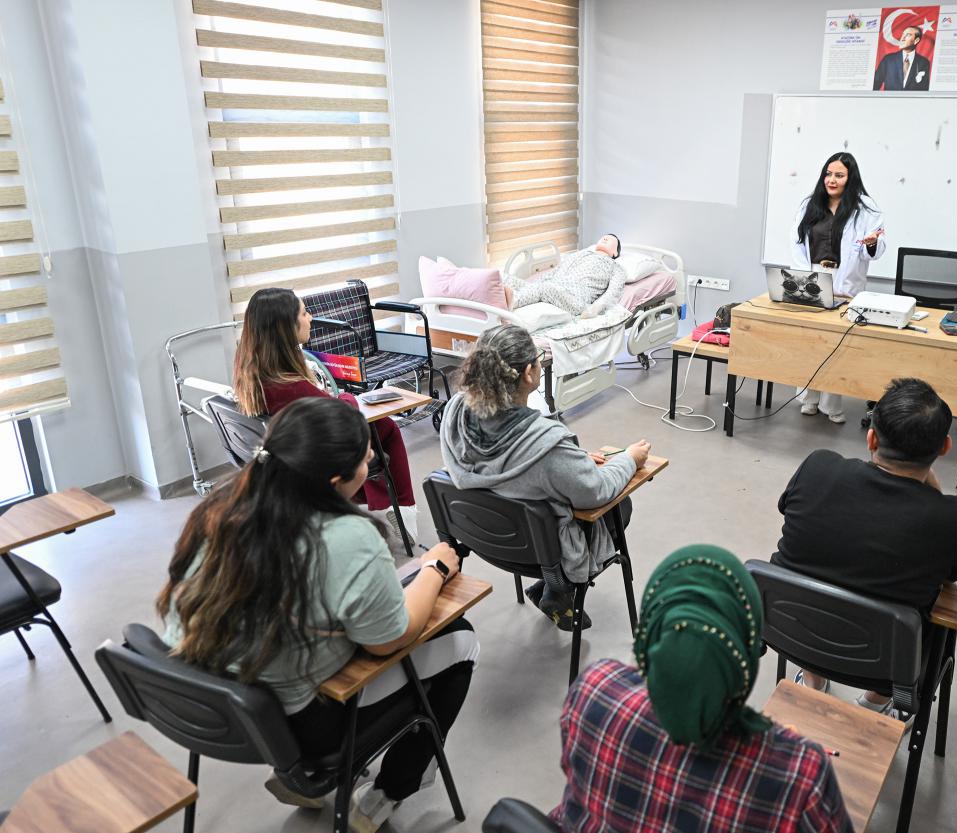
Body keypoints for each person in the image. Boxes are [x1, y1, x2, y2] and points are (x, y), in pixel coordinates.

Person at [157, 397, 478, 833]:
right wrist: (435, 568)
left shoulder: (217, 508)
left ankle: (302, 785)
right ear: (333, 480)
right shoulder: (347, 536)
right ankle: (384, 795)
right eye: (365, 461)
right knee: (461, 640)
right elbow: (388, 638)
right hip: (302, 730)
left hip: (215, 706)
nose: (371, 465)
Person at [551, 545, 854, 833]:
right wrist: (783, 748)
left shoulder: (594, 688)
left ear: (648, 635)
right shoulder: (800, 775)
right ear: (746, 655)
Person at [772, 377, 957, 714]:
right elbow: (954, 575)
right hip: (888, 668)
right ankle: (877, 701)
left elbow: (790, 512)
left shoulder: (817, 467)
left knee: (819, 569)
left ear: (871, 437)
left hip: (791, 636)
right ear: (945, 447)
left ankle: (813, 680)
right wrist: (932, 494)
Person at [439, 323, 650, 630]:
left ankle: (552, 589)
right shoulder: (547, 444)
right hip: (541, 554)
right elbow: (598, 490)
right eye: (538, 359)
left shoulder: (455, 412)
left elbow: (511, 471)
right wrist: (630, 459)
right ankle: (558, 588)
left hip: (486, 540)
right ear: (529, 373)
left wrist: (569, 463)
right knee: (621, 505)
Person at [233, 287, 419, 539]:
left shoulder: (252, 371)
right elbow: (342, 412)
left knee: (381, 426)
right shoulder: (291, 386)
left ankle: (389, 502)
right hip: (313, 456)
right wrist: (345, 397)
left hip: (290, 452)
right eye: (304, 313)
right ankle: (401, 509)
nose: (310, 318)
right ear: (286, 327)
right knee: (386, 427)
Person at [790, 152, 886, 423]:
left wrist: (870, 243)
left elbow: (873, 251)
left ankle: (831, 406)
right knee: (812, 342)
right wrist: (804, 280)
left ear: (850, 178)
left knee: (837, 347)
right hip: (813, 281)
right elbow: (797, 245)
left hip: (846, 284)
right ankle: (808, 398)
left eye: (839, 175)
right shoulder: (810, 205)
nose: (831, 180)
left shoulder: (867, 209)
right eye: (828, 174)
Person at [503, 233, 627, 318]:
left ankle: (513, 301)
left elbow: (614, 291)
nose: (605, 238)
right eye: (603, 237)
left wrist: (595, 309)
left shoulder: (615, 267)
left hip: (577, 298)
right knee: (507, 279)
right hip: (557, 285)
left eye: (610, 239)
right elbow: (555, 271)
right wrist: (532, 285)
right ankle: (495, 292)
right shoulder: (578, 255)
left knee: (545, 288)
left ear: (615, 252)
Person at [873, 25, 931, 91]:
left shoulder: (923, 62)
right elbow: (875, 85)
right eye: (903, 34)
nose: (902, 38)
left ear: (916, 40)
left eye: (908, 35)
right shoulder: (888, 60)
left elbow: (924, 89)